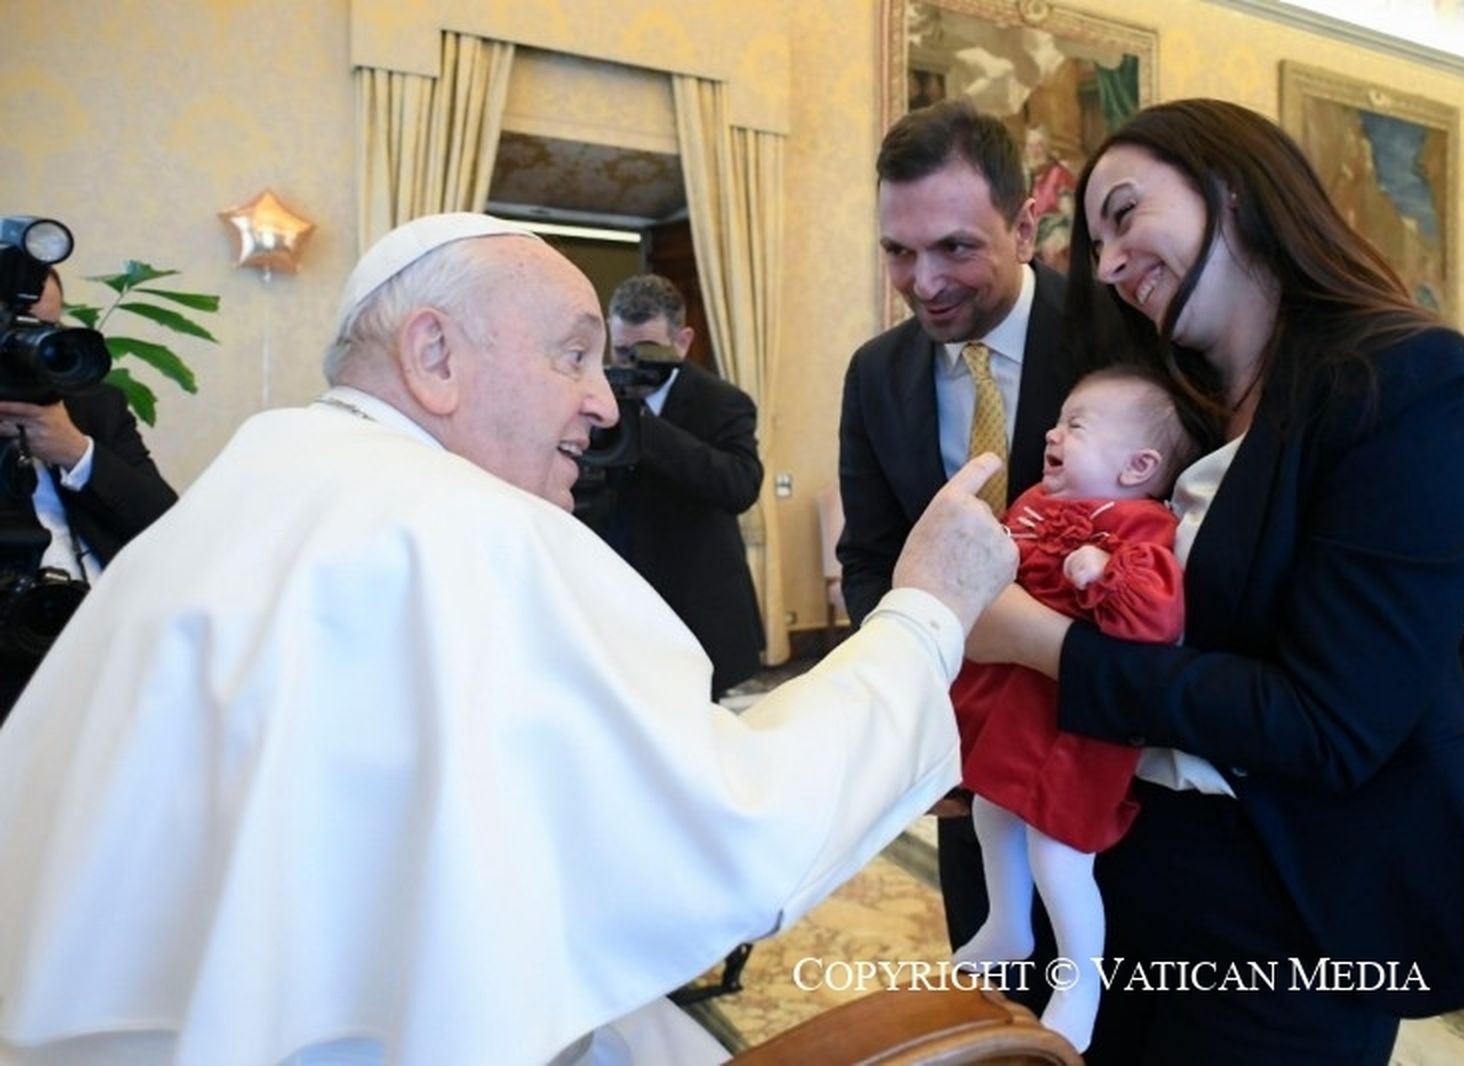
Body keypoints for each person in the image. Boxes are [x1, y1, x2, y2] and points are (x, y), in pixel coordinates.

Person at [0, 213, 1022, 1066]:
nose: (601, 397)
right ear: (434, 355)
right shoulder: (464, 526)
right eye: (571, 354)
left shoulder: (249, 484)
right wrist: (927, 609)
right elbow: (736, 828)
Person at [966, 98, 1464, 1063]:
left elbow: (1329, 724)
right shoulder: (1176, 405)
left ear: (1234, 189)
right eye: (1094, 239)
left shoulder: (1406, 381)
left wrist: (1032, 640)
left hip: (1287, 897)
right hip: (1130, 853)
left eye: (1124, 214)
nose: (1107, 263)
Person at [837, 98, 1098, 1010]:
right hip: (963, 754)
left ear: (1026, 225)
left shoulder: (1112, 335)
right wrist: (918, 720)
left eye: (954, 247)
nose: (923, 280)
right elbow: (869, 561)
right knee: (993, 1002)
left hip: (1104, 751)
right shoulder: (877, 375)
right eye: (898, 252)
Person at [949, 366, 1195, 1049]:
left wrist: (1101, 575)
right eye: (1059, 420)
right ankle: (1007, 925)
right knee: (990, 806)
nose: (1052, 433)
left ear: (1136, 466)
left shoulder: (1143, 526)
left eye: (1076, 425)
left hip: (1077, 725)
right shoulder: (1032, 500)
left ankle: (1079, 978)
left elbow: (1156, 619)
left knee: (1061, 854)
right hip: (1016, 703)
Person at [0, 268, 177, 715]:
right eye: (13, 331)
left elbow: (167, 524)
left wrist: (76, 452)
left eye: (45, 331)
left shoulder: (95, 405)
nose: (30, 350)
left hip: (107, 657)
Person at [599, 273, 765, 699]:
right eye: (621, 351)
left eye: (646, 352)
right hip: (618, 600)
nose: (631, 364)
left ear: (683, 341)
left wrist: (644, 427)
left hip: (699, 601)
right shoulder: (593, 397)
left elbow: (740, 486)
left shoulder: (723, 401)